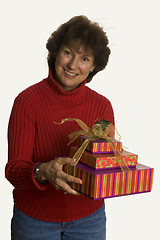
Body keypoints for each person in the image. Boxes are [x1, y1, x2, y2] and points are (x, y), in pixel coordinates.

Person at [5, 15, 115, 240]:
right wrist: (43, 171)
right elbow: (14, 170)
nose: (73, 65)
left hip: (90, 220)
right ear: (55, 52)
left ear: (94, 65)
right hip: (34, 222)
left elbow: (104, 163)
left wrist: (114, 164)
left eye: (84, 58)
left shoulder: (102, 106)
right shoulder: (27, 102)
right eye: (68, 53)